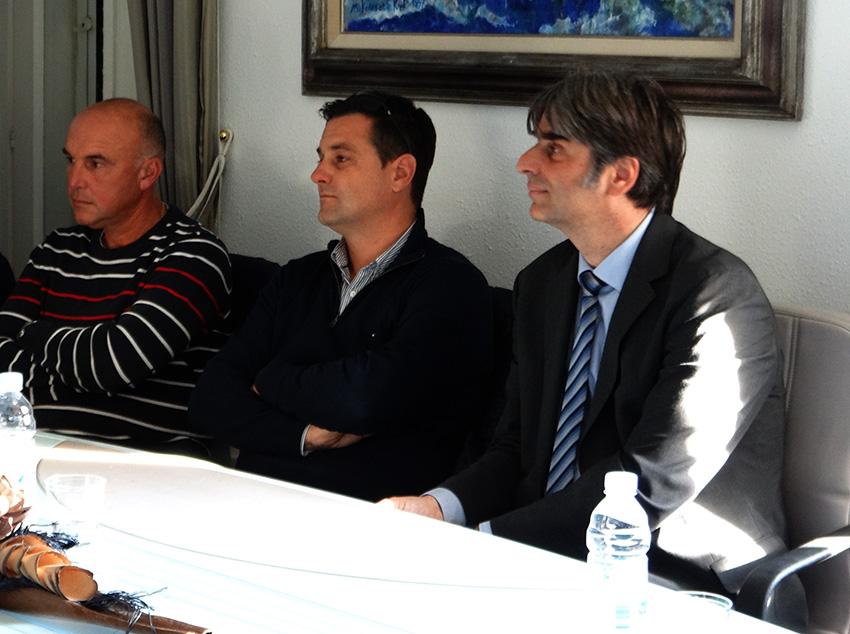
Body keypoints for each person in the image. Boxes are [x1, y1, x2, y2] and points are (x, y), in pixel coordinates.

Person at [386, 70, 787, 595]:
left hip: (681, 576)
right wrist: (439, 508)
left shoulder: (717, 295)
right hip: (543, 555)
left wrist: (487, 542)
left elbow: (651, 480)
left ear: (620, 175)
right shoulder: (542, 284)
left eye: (553, 148)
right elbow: (517, 447)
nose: (524, 162)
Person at [190, 91, 493, 501]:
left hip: (371, 519)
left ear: (400, 173)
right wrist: (305, 435)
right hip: (250, 503)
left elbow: (366, 400)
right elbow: (209, 400)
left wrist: (269, 378)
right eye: (321, 158)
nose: (318, 174)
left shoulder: (452, 286)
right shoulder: (296, 278)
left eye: (341, 159)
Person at [0, 99, 231, 455]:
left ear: (147, 173)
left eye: (95, 163)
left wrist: (33, 335)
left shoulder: (194, 253)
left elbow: (114, 363)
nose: (75, 181)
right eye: (71, 161)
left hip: (143, 461)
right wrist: (84, 367)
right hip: (30, 450)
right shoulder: (58, 248)